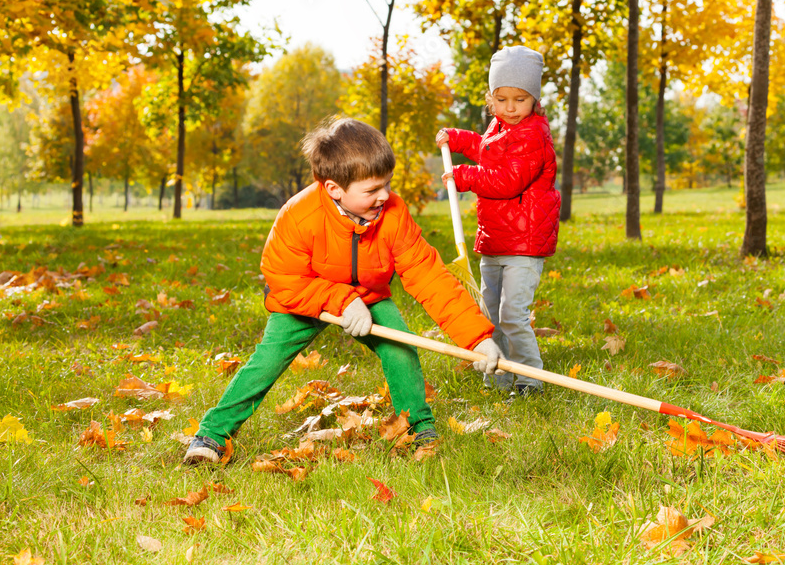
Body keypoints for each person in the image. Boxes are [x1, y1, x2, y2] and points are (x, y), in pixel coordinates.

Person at [185, 117, 504, 464]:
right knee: (267, 361)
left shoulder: (393, 213)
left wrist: (476, 339)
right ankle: (212, 436)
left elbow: (429, 275)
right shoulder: (299, 216)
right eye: (371, 190)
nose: (384, 195)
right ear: (334, 188)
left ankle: (418, 428)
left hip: (369, 294)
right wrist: (340, 300)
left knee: (400, 349)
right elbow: (283, 279)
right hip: (306, 299)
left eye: (387, 184)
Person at [436, 45, 560, 396]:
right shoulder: (500, 127)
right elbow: (485, 150)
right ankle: (500, 374)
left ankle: (530, 379)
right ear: (491, 99)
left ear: (533, 99)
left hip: (524, 242)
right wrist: (457, 139)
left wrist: (464, 176)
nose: (510, 107)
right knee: (490, 314)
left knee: (512, 315)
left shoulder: (534, 135)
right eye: (501, 99)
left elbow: (508, 181)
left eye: (519, 99)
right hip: (495, 238)